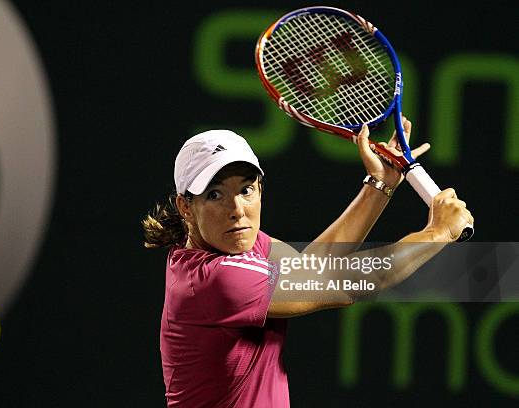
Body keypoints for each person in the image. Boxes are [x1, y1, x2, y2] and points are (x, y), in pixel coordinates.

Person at [142, 119, 474, 407]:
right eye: (215, 194)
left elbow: (310, 270)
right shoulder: (215, 281)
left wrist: (380, 184)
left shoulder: (237, 244)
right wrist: (438, 232)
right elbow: (342, 284)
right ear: (186, 207)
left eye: (246, 190)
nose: (237, 209)